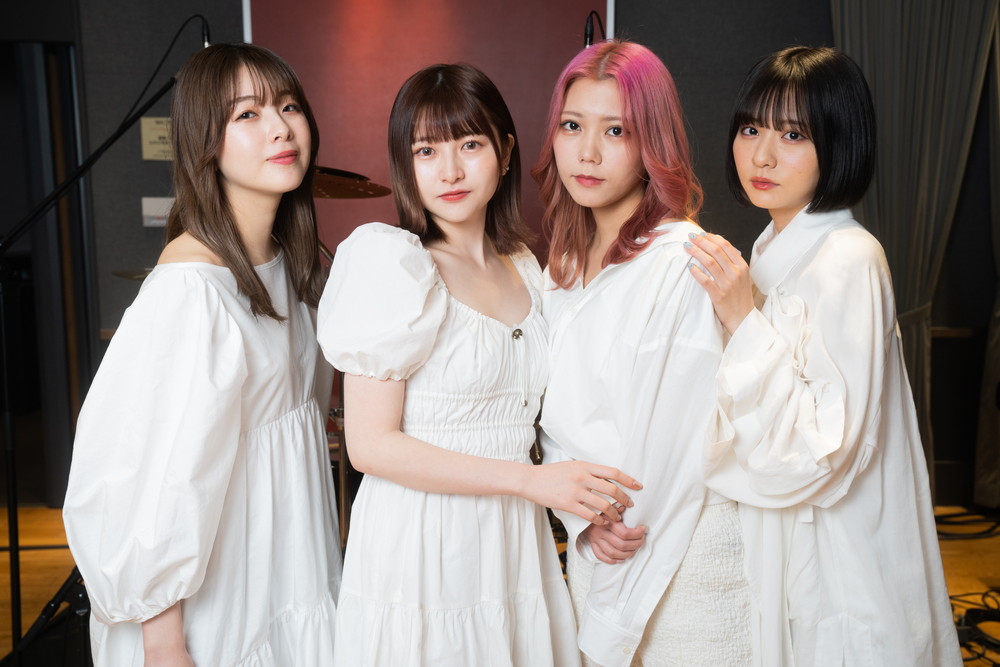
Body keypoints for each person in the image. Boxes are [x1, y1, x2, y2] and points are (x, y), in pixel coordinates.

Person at [317, 63, 641, 667]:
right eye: (426, 151)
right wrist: (530, 483)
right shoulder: (392, 263)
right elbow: (369, 447)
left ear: (505, 151)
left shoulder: (525, 267)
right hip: (422, 542)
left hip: (513, 540)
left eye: (469, 145)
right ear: (406, 163)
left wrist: (578, 505)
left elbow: (543, 420)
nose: (450, 171)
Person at [62, 43, 342, 666]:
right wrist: (164, 642)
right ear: (205, 142)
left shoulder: (290, 265)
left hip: (291, 562)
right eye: (247, 114)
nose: (279, 128)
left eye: (288, 106)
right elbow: (149, 472)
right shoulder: (191, 290)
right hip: (220, 593)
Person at [684, 46, 962, 666]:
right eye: (751, 129)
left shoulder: (848, 258)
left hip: (839, 551)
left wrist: (741, 318)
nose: (762, 155)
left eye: (793, 135)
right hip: (785, 538)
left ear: (839, 143)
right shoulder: (769, 246)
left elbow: (822, 451)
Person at [533, 40, 752, 667]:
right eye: (572, 126)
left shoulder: (681, 259)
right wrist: (582, 519)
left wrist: (607, 525)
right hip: (597, 542)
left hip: (677, 557)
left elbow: (675, 443)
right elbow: (549, 416)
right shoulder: (561, 267)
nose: (587, 152)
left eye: (616, 131)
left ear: (652, 142)